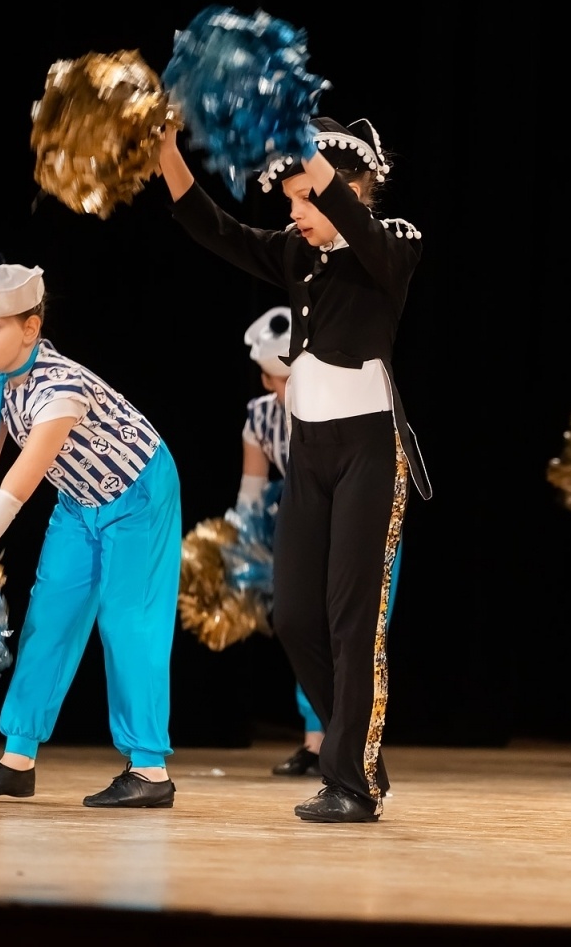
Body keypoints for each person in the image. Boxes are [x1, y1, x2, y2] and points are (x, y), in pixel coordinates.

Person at [158, 115, 429, 823]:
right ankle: (357, 751)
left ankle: (352, 782)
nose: (295, 213)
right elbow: (214, 228)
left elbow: (360, 230)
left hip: (370, 450)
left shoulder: (394, 242)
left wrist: (309, 154)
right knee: (294, 615)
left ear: (350, 189)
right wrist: (167, 154)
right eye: (289, 202)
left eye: (305, 197)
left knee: (352, 620)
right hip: (308, 455)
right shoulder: (295, 254)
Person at [0, 252, 183, 809]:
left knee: (128, 622)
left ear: (31, 328)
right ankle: (17, 760)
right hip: (79, 502)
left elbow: (15, 491)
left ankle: (150, 770)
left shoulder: (60, 389)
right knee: (49, 618)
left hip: (139, 493)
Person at [237, 307, 405, 778]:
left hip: (359, 515)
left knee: (353, 631)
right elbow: (251, 494)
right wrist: (241, 550)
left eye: (286, 376)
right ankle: (320, 741)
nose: (281, 386)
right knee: (299, 621)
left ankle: (354, 749)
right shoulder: (260, 418)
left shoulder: (340, 397)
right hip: (303, 517)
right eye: (274, 378)